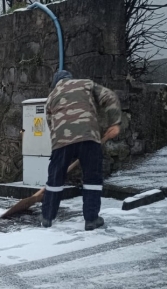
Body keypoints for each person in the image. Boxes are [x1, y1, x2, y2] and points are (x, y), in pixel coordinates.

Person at [41, 70, 122, 231]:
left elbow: (51, 124)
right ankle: (91, 219)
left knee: (55, 179)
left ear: (56, 83)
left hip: (61, 140)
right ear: (71, 79)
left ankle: (47, 217)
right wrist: (115, 122)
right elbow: (109, 96)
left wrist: (59, 146)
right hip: (88, 137)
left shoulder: (51, 96)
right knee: (92, 178)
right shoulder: (86, 83)